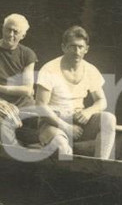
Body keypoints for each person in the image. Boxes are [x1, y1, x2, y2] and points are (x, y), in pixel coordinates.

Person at [35, 25, 116, 159]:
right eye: (72, 46)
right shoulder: (49, 69)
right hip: (53, 123)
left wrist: (88, 112)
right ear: (64, 47)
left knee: (109, 119)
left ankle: (100, 167)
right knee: (62, 148)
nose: (77, 51)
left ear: (86, 49)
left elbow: (102, 101)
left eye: (80, 47)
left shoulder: (90, 70)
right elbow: (41, 106)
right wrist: (66, 127)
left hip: (78, 122)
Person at [0, 13, 37, 144]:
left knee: (43, 122)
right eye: (8, 29)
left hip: (23, 103)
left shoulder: (27, 54)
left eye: (16, 32)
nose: (10, 35)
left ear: (23, 35)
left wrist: (0, 88)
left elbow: (27, 90)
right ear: (2, 29)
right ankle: (16, 154)